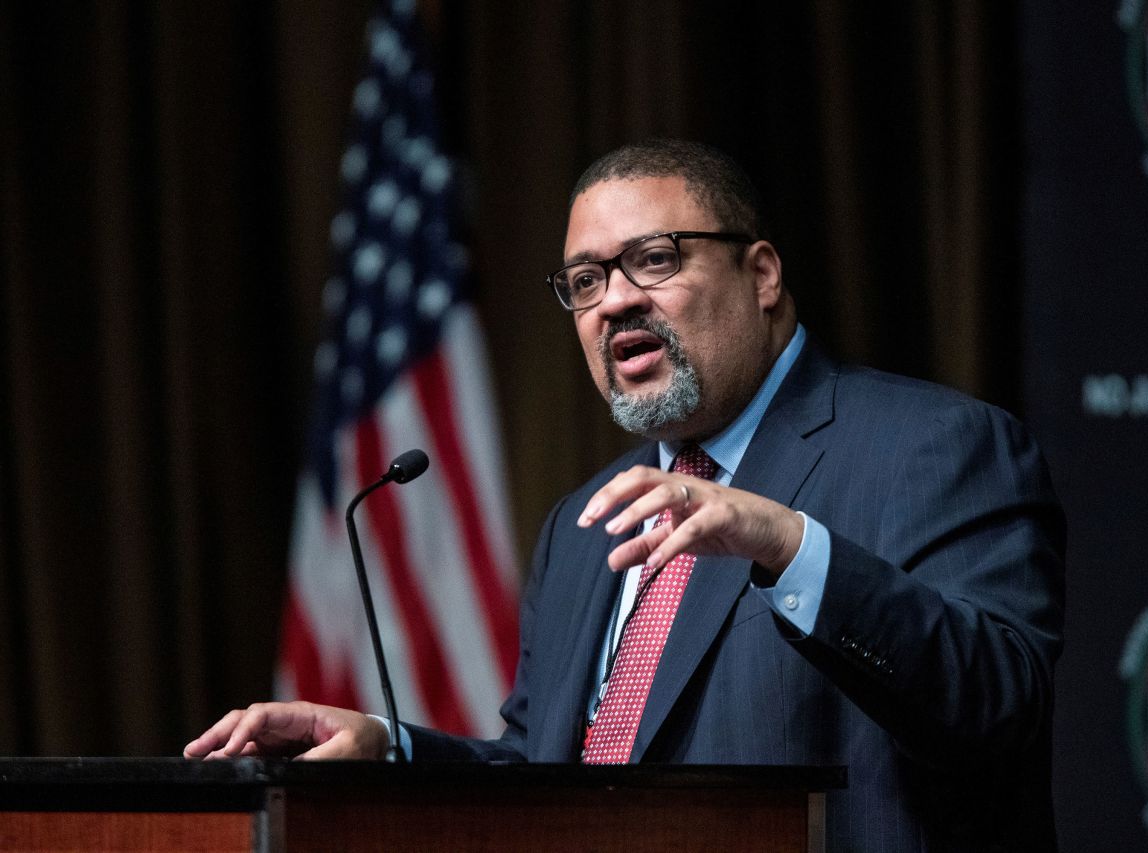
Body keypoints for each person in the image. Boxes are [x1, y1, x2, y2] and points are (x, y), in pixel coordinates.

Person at [187, 139, 1065, 851]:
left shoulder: (933, 445)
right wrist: (394, 746)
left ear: (762, 275)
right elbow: (549, 779)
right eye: (585, 281)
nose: (614, 301)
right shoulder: (585, 520)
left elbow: (997, 707)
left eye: (653, 259)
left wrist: (791, 546)